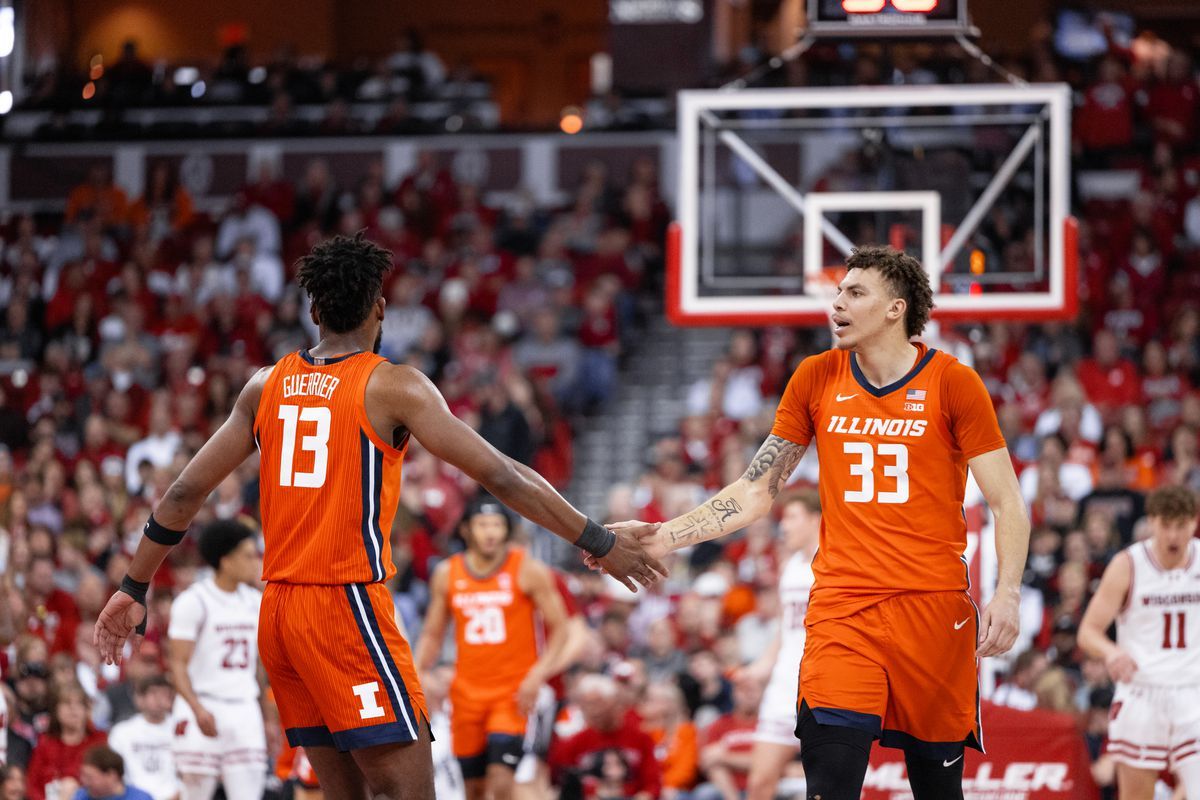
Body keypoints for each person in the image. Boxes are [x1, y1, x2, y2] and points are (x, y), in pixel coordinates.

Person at [94, 233, 666, 800]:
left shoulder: (264, 385)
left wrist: (132, 585)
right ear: (380, 308)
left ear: (314, 310)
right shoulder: (392, 385)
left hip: (279, 614)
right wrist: (598, 538)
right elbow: (502, 475)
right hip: (342, 604)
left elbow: (182, 493)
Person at [605, 246, 1029, 800]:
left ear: (896, 308)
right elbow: (757, 489)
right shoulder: (816, 377)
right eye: (837, 292)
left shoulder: (954, 383)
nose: (837, 303)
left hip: (933, 607)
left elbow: (1009, 503)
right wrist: (666, 536)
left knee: (938, 791)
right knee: (829, 784)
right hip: (843, 609)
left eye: (855, 293)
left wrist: (1009, 594)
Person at [414, 497, 569, 800]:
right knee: (473, 788)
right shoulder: (448, 573)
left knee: (501, 781)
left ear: (507, 530)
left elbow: (561, 629)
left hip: (513, 693)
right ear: (466, 530)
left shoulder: (527, 569)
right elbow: (433, 633)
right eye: (483, 525)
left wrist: (537, 675)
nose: (490, 532)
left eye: (497, 525)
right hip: (466, 692)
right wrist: (417, 672)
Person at [1077, 485, 1200, 799]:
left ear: (1193, 522)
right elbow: (1088, 631)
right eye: (1165, 525)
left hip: (1192, 690)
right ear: (1152, 522)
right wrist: (1112, 652)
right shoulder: (1127, 565)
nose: (1173, 536)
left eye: (1181, 526)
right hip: (1142, 691)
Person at [166, 520, 266, 800]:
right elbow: (177, 664)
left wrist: (266, 715)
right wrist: (196, 708)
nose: (255, 562)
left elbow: (259, 667)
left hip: (244, 707)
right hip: (203, 704)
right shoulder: (193, 601)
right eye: (247, 555)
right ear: (225, 560)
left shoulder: (256, 602)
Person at [737, 490, 820, 800]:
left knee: (828, 785)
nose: (783, 527)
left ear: (816, 519)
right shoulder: (791, 567)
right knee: (759, 783)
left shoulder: (838, 563)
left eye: (792, 518)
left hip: (824, 684)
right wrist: (759, 669)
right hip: (785, 687)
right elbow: (785, 631)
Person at [25, 683, 107, 800]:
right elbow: (31, 786)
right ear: (56, 711)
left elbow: (108, 781)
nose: (73, 709)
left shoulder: (100, 741)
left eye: (79, 704)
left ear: (86, 710)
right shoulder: (45, 743)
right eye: (67, 704)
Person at [106, 676, 180, 800]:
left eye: (165, 693)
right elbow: (114, 773)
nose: (159, 699)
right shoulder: (122, 731)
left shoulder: (180, 728)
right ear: (140, 698)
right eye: (153, 693)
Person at [72, 745, 153, 800]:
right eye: (82, 775)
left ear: (112, 776)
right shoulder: (81, 795)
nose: (84, 782)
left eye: (90, 777)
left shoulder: (140, 798)